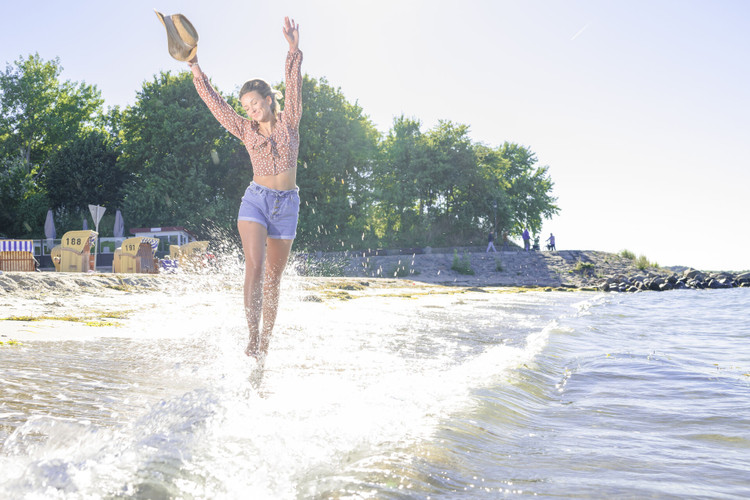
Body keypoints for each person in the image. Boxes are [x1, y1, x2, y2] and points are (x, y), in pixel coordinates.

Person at [189, 17, 302, 360]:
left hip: (287, 206)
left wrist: (293, 51)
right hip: (255, 202)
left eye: (255, 103)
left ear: (269, 99)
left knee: (273, 279)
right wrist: (195, 68)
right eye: (246, 107)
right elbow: (217, 106)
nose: (250, 110)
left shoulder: (291, 121)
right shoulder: (245, 129)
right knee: (254, 267)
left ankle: (266, 341)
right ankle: (251, 336)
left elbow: (294, 85)